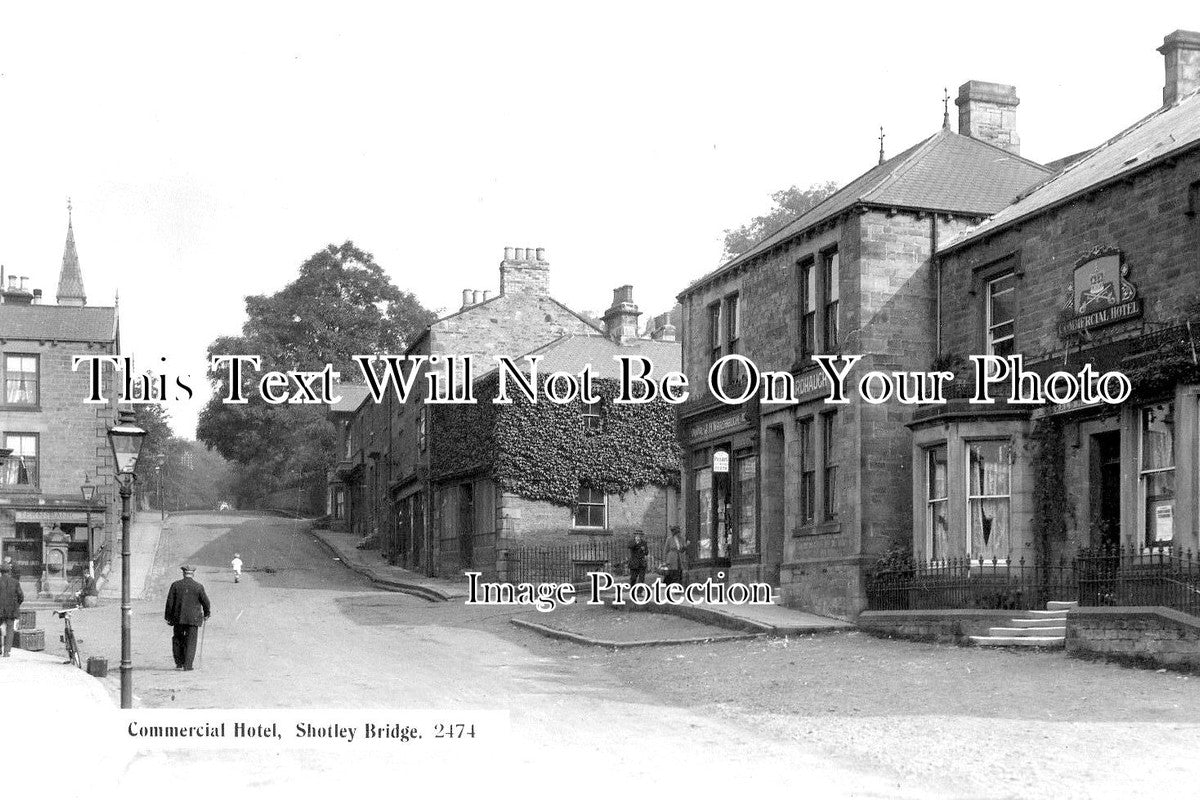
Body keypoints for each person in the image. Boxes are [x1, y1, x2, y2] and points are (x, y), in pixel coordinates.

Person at [164, 565, 210, 670]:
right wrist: (207, 613)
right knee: (191, 641)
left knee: (177, 639)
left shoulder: (175, 585)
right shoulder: (198, 586)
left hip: (178, 618)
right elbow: (206, 602)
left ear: (183, 573)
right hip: (193, 619)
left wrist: (168, 617)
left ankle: (179, 663)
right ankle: (188, 665)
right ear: (193, 574)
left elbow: (170, 602)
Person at [0, 562, 24, 657]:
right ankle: (6, 651)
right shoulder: (15, 582)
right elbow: (21, 596)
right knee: (10, 629)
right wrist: (16, 605)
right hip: (11, 610)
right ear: (9, 571)